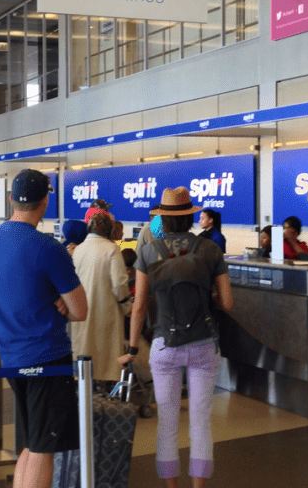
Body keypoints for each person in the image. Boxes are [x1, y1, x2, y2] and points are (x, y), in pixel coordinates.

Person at [119, 187, 233, 488]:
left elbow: (140, 306)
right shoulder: (210, 250)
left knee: (167, 423)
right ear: (189, 217)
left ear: (164, 219)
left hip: (164, 344)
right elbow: (228, 303)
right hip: (203, 344)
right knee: (200, 423)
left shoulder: (147, 251)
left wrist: (132, 348)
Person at [0, 169, 87, 488]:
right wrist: (61, 300)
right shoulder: (48, 248)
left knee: (31, 444)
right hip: (46, 357)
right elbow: (80, 310)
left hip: (10, 356)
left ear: (12, 199)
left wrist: (55, 297)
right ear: (45, 202)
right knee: (45, 450)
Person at [70, 212, 130, 384]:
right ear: (108, 230)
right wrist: (127, 307)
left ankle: (85, 397)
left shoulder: (79, 249)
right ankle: (103, 399)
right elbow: (119, 285)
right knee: (104, 362)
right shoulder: (111, 249)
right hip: (105, 313)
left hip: (81, 313)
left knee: (84, 359)